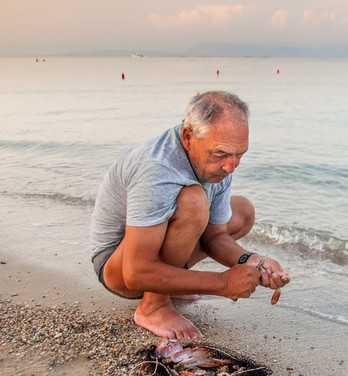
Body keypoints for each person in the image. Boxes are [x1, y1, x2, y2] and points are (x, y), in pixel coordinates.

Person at [90, 91, 290, 340]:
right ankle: (154, 305)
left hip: (152, 257)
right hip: (120, 270)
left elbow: (214, 236)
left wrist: (251, 260)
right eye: (221, 155)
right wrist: (224, 284)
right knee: (194, 201)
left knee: (242, 212)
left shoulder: (223, 158)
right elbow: (134, 273)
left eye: (240, 154)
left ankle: (172, 282)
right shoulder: (157, 167)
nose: (231, 166)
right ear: (188, 137)